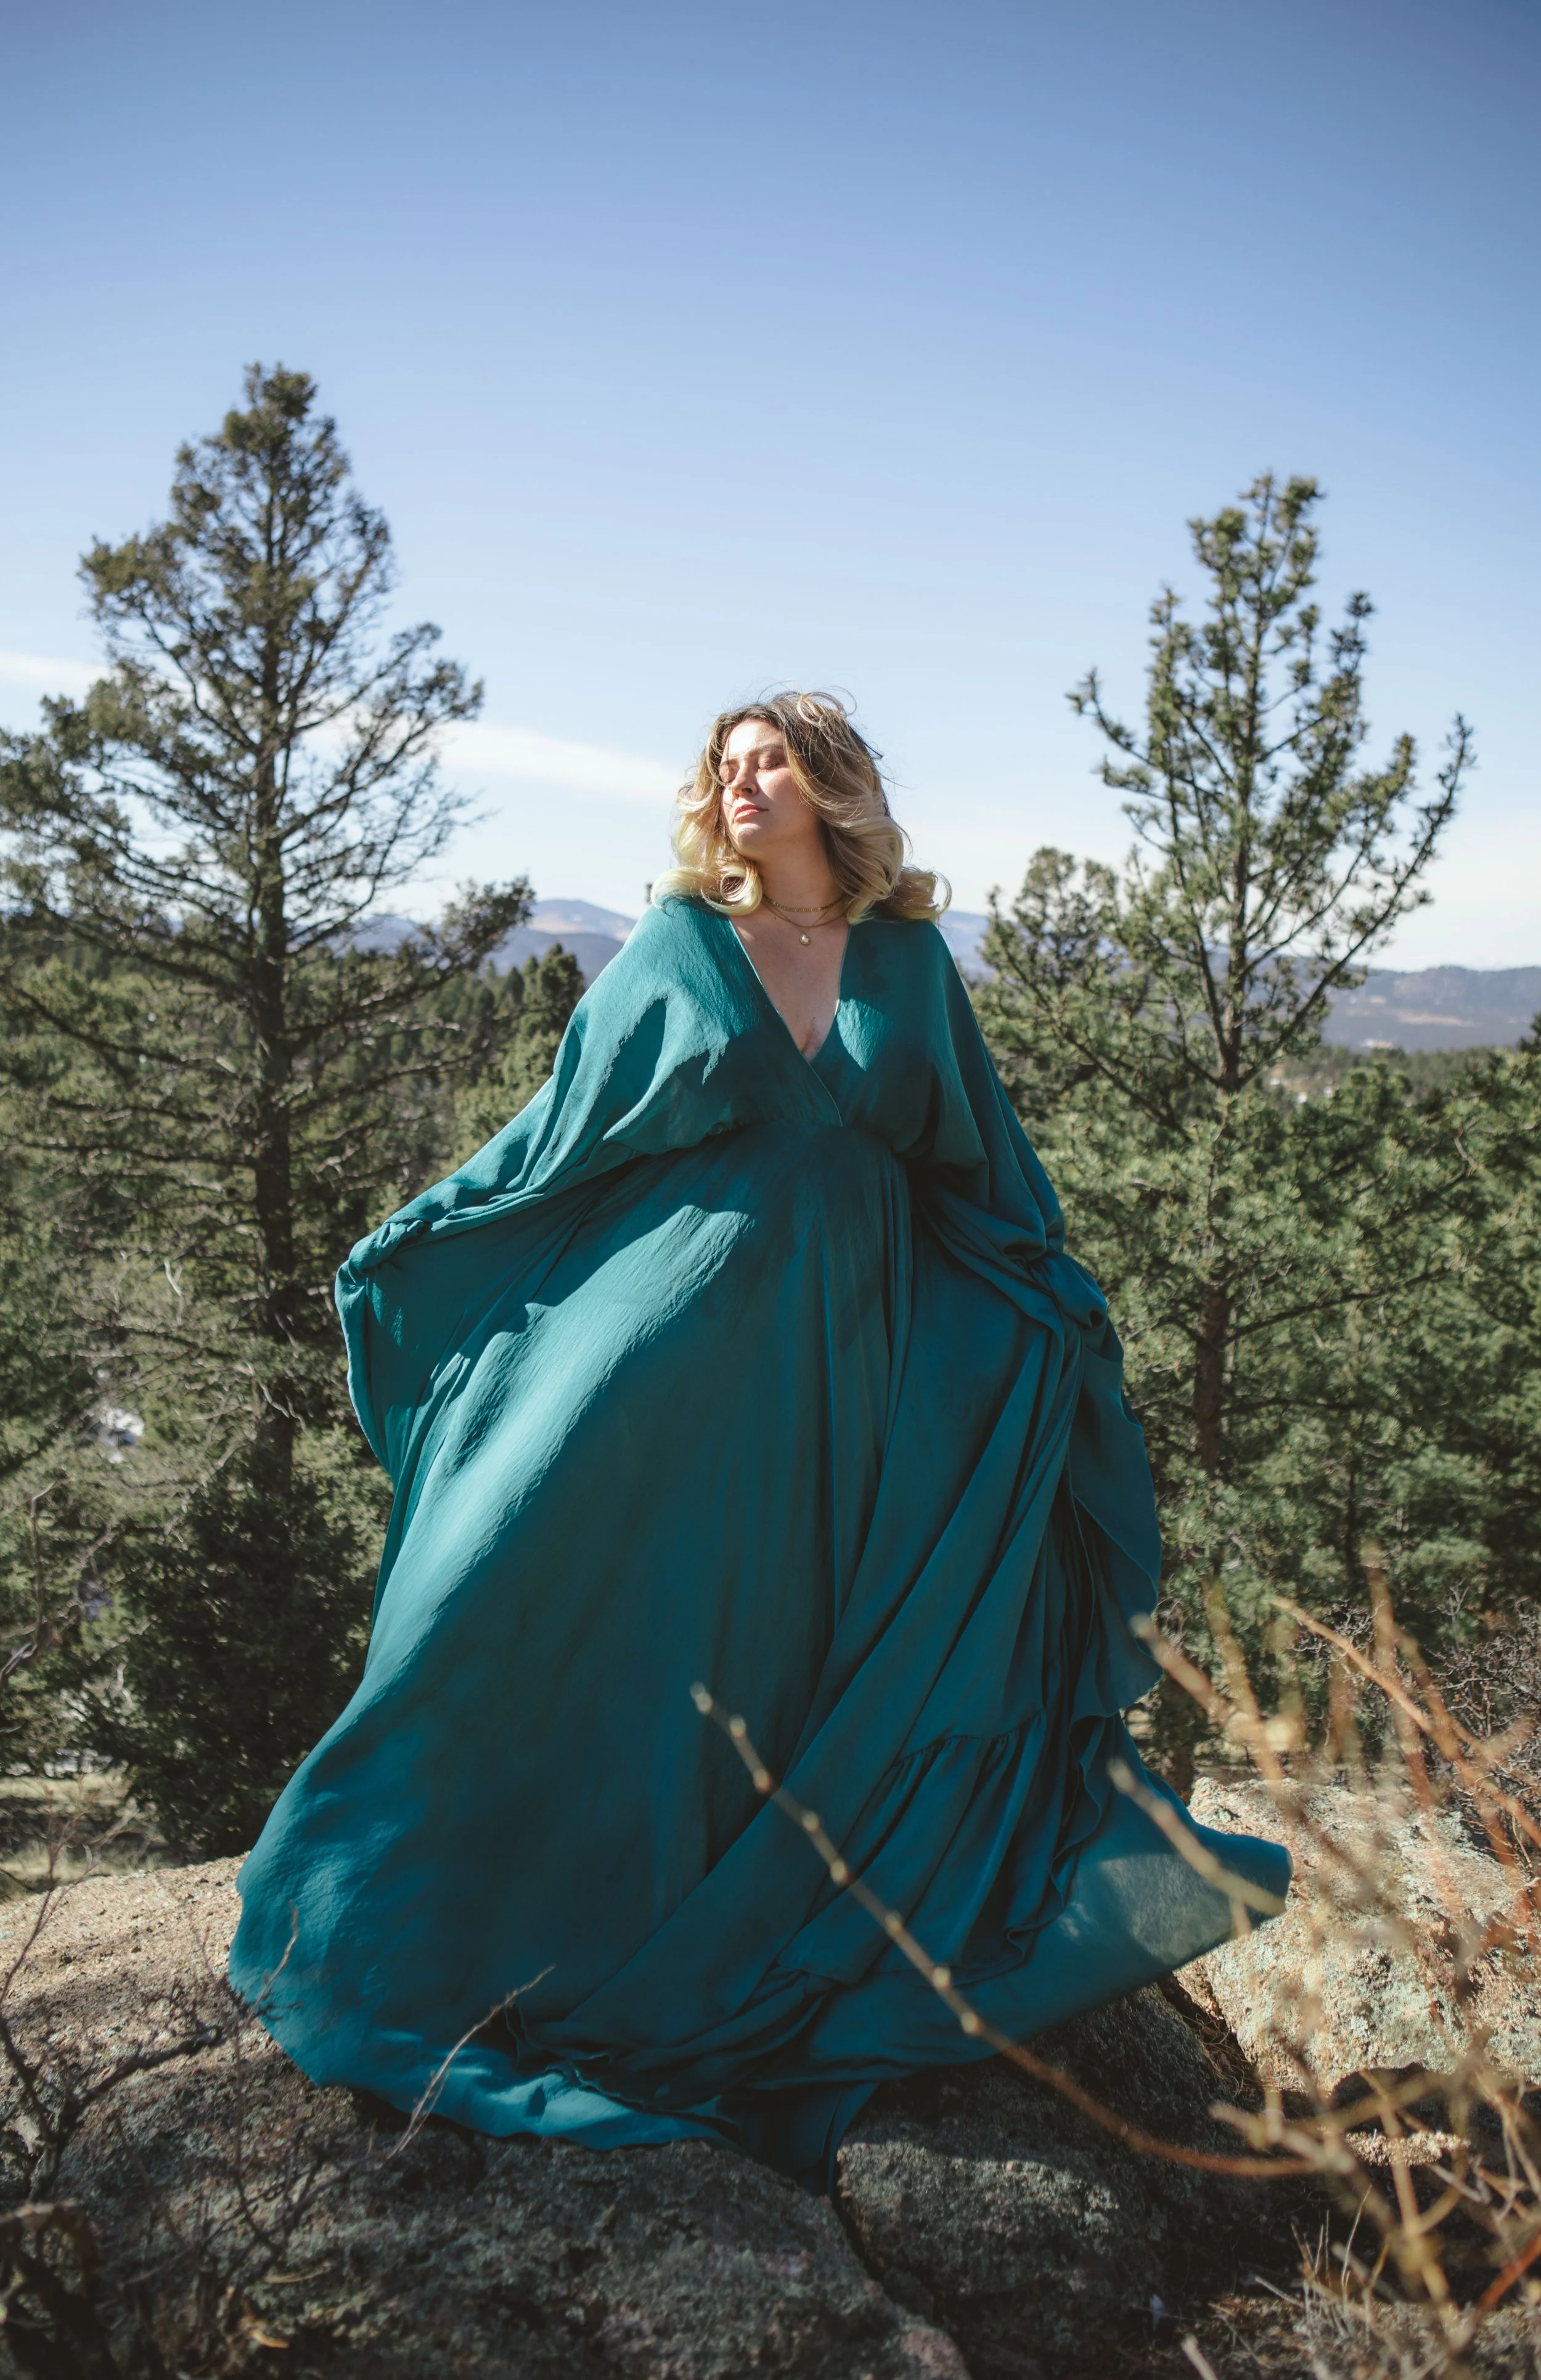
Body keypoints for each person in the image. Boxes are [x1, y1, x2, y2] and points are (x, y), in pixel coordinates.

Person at [229, 691, 1288, 2190]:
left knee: (793, 1637)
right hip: (671, 1344)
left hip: (854, 1357)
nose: (739, 785)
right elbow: (564, 1136)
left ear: (831, 787)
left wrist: (1045, 1306)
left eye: (767, 761)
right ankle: (417, 1903)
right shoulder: (676, 947)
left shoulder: (910, 962)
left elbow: (973, 1153)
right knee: (552, 1600)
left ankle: (763, 1902)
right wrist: (429, 1231)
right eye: (723, 767)